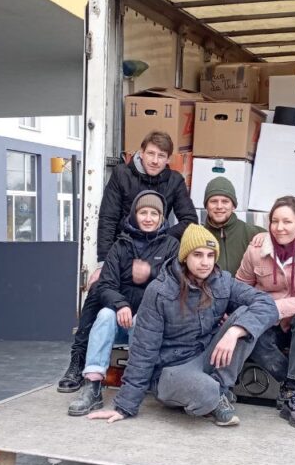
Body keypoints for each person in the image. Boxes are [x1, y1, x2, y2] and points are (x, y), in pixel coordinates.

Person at [88, 224, 278, 426]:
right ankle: (215, 394)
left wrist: (234, 332)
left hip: (206, 358)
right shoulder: (160, 291)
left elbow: (267, 305)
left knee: (244, 317)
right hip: (171, 371)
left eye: (210, 255)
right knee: (204, 390)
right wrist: (124, 406)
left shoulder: (223, 281)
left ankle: (218, 392)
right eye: (198, 255)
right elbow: (144, 351)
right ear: (185, 257)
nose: (205, 262)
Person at [58, 130, 198, 393]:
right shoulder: (122, 174)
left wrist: (158, 234)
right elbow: (108, 218)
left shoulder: (174, 181)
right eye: (151, 154)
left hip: (157, 251)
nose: (155, 161)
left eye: (162, 156)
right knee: (98, 291)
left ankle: (148, 372)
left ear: (169, 159)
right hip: (121, 249)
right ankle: (77, 362)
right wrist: (103, 264)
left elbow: (190, 221)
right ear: (140, 152)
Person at [68, 191, 178, 416]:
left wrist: (150, 272)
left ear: (162, 217)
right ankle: (93, 386)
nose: (148, 218)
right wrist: (121, 305)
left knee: (141, 320)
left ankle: (133, 387)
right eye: (143, 212)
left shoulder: (171, 246)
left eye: (154, 213)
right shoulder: (120, 246)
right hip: (121, 317)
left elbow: (175, 284)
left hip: (152, 322)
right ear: (134, 215)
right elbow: (106, 285)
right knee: (105, 315)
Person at [236, 195, 295, 428]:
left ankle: (293, 393)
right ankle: (291, 390)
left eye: (287, 221)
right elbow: (240, 287)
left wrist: (271, 308)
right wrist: (260, 312)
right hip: (268, 323)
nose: (279, 228)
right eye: (274, 221)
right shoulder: (257, 250)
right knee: (250, 333)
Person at [202, 176, 264, 275]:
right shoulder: (197, 236)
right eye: (213, 201)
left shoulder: (253, 233)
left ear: (233, 206)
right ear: (206, 206)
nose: (219, 206)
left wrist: (267, 236)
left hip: (245, 289)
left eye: (225, 201)